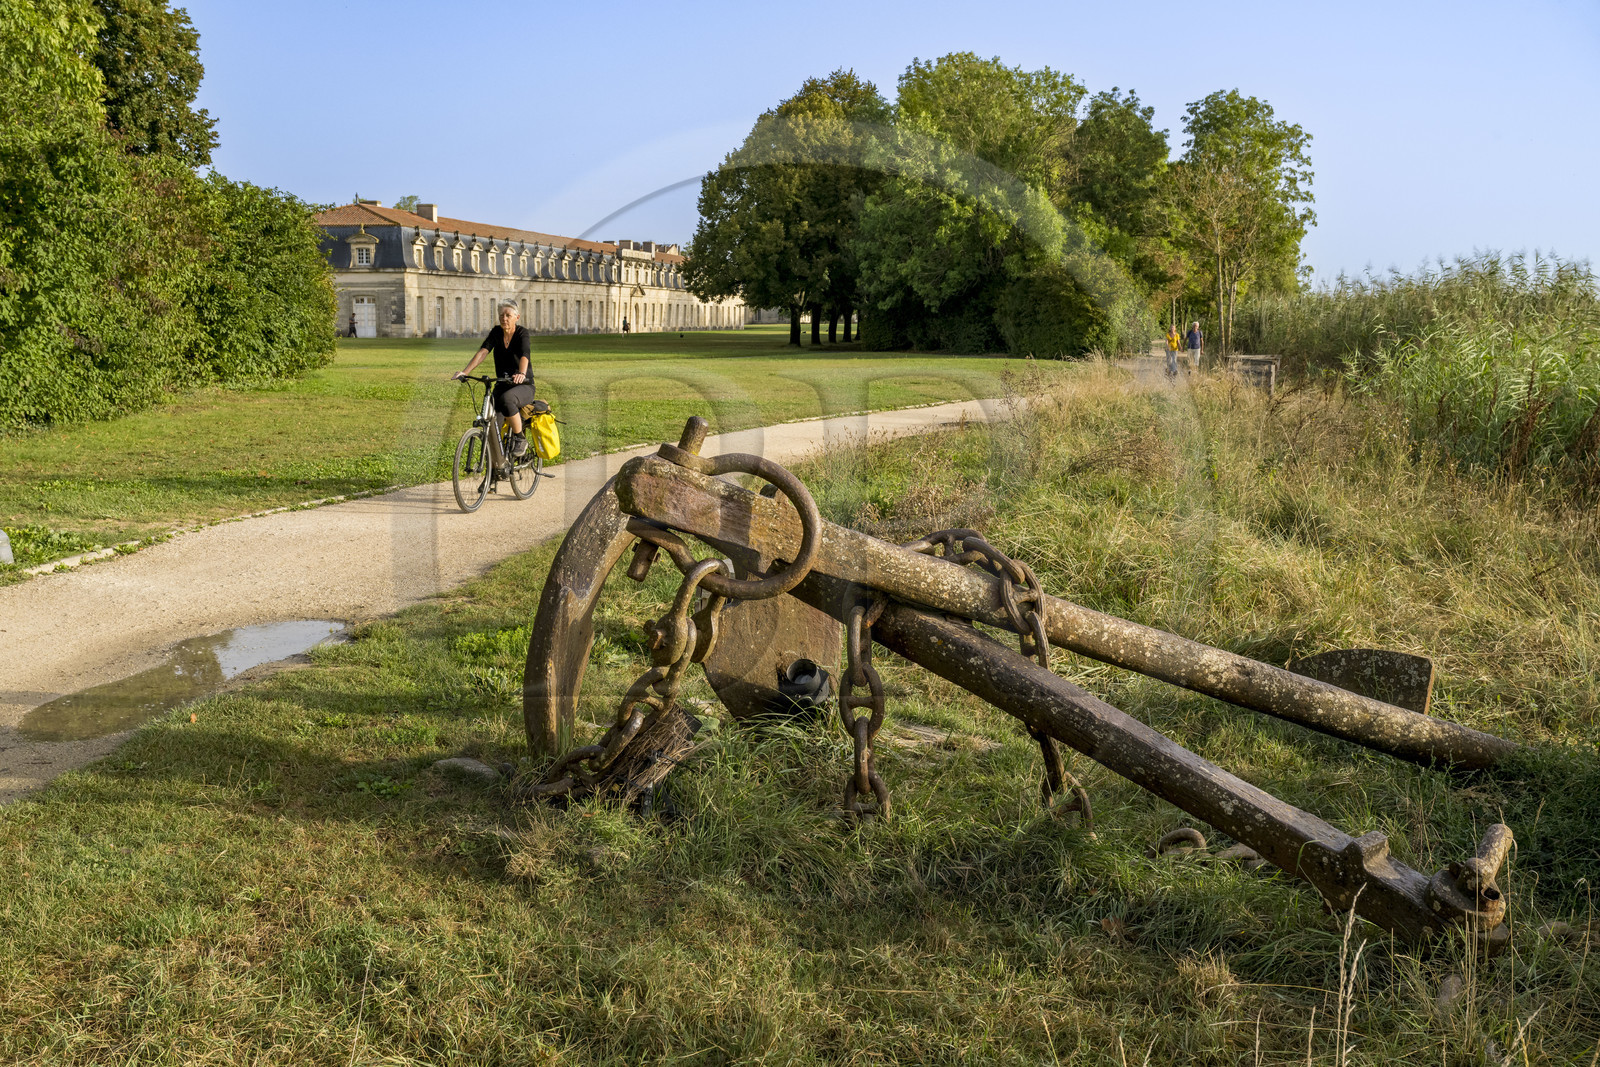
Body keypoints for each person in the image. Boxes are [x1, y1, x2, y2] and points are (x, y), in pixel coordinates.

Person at [453, 303, 534, 457]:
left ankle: (520, 438)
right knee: (490, 424)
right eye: (501, 315)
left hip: (524, 385)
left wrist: (521, 373)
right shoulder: (496, 332)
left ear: (517, 317)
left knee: (507, 399)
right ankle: (496, 467)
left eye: (508, 315)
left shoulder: (522, 333)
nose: (504, 318)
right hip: (502, 384)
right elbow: (483, 352)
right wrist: (465, 372)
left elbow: (525, 355)